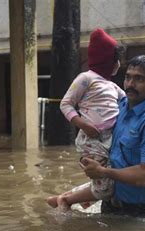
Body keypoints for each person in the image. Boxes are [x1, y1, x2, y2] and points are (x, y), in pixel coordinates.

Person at [80, 55, 145, 219]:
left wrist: (102, 171)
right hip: (109, 206)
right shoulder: (118, 108)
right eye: (128, 77)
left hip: (141, 215)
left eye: (139, 79)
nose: (130, 84)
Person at [46, 28, 125, 210]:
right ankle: (65, 202)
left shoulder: (113, 86)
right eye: (116, 59)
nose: (119, 64)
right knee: (106, 189)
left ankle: (63, 198)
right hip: (91, 140)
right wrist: (84, 124)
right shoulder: (86, 78)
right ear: (106, 60)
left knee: (109, 182)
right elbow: (65, 104)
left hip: (109, 140)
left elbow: (127, 103)